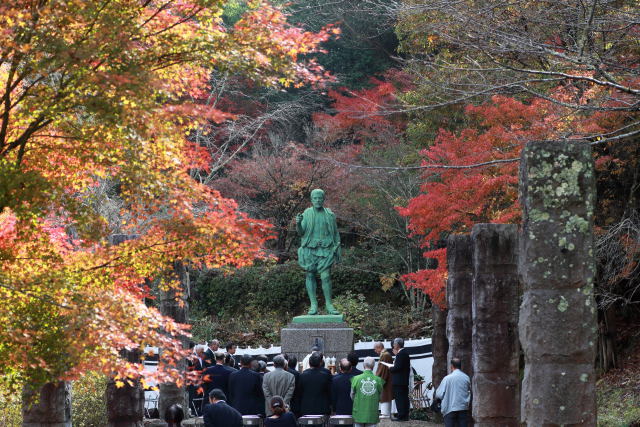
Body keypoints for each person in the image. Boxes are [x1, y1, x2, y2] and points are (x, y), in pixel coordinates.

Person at [296, 188, 341, 315]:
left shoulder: (329, 215)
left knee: (326, 276)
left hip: (326, 250)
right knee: (310, 275)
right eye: (315, 198)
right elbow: (301, 232)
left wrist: (336, 248)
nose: (317, 200)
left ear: (323, 199)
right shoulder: (307, 213)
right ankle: (313, 304)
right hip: (310, 249)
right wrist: (298, 223)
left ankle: (329, 304)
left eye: (319, 198)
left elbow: (335, 233)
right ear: (311, 200)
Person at [435, 357, 471, 427]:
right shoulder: (466, 377)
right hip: (463, 408)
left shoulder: (447, 378)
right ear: (460, 366)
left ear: (451, 366)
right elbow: (469, 392)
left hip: (450, 409)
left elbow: (439, 394)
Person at [351, 357, 384, 427]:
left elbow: (352, 395)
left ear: (363, 365)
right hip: (372, 412)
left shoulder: (355, 379)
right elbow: (381, 397)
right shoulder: (379, 380)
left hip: (358, 412)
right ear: (373, 366)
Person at [388, 338, 410, 421]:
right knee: (404, 398)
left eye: (394, 344)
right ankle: (405, 415)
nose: (393, 346)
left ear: (397, 345)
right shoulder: (404, 353)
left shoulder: (401, 354)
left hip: (399, 381)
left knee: (400, 399)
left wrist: (390, 368)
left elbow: (397, 367)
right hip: (403, 380)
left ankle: (401, 415)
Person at [373, 342, 393, 418]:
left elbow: (383, 369)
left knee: (385, 395)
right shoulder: (385, 354)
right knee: (386, 395)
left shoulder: (385, 355)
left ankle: (385, 413)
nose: (375, 351)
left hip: (386, 379)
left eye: (375, 349)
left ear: (379, 347)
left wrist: (377, 377)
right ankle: (386, 413)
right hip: (387, 378)